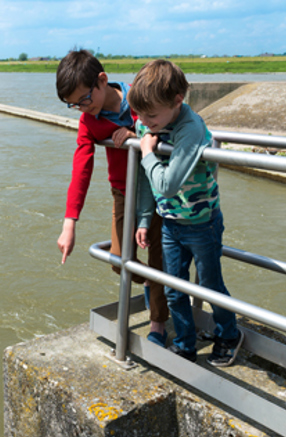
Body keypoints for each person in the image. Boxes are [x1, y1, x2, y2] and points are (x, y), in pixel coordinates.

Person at [128, 59, 244, 366]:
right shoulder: (147, 123)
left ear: (178, 101)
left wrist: (148, 153)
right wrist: (143, 218)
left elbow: (165, 184)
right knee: (173, 287)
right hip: (169, 222)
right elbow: (144, 179)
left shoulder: (190, 128)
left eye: (151, 115)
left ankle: (229, 334)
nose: (144, 121)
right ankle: (184, 343)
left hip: (201, 223)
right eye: (140, 114)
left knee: (209, 284)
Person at [55, 50, 169, 346]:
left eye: (83, 99)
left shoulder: (140, 99)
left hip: (157, 187)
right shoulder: (88, 121)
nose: (81, 108)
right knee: (120, 260)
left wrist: (133, 132)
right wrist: (70, 223)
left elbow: (166, 126)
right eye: (73, 105)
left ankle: (158, 322)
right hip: (122, 191)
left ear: (102, 81)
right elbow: (81, 168)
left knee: (157, 254)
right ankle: (152, 286)